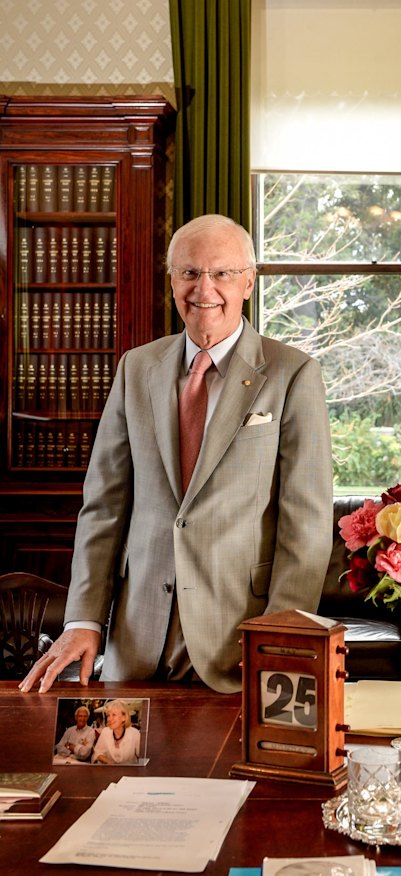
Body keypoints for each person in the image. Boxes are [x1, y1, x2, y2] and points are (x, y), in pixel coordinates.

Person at [19, 214, 333, 694]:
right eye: (189, 272)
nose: (204, 288)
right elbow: (104, 506)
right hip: (136, 642)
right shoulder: (136, 368)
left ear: (249, 281)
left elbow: (305, 527)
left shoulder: (293, 373)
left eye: (222, 273)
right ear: (172, 282)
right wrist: (83, 618)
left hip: (240, 646)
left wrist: (280, 638)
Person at [91, 699, 140, 765]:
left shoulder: (135, 734)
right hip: (110, 772)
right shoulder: (106, 732)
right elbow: (97, 753)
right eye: (108, 715)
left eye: (114, 715)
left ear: (124, 717)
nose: (109, 719)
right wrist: (109, 762)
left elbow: (143, 757)